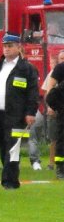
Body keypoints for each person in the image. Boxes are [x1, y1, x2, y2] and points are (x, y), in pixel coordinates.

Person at [0, 33, 39, 189]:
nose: (6, 49)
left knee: (13, 148)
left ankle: (10, 182)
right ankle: (8, 179)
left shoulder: (27, 69)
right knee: (3, 147)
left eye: (10, 46)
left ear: (19, 47)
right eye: (4, 46)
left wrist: (31, 113)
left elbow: (33, 93)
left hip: (17, 116)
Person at [43, 50, 64, 179]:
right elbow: (50, 91)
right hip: (62, 110)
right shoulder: (60, 68)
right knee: (62, 140)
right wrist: (56, 107)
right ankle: (61, 168)